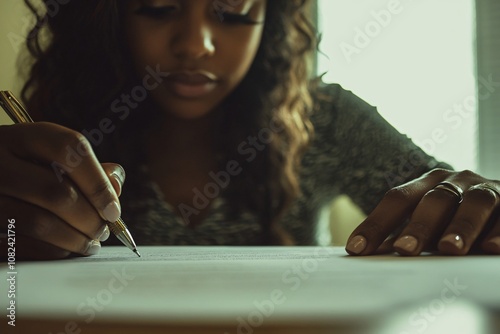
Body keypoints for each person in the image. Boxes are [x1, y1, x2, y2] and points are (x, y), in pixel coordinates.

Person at [0, 0, 498, 260]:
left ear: (271, 19)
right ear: (111, 18)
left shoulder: (325, 118)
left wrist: (480, 203)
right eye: (158, 8)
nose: (196, 46)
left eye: (232, 10)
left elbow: (447, 198)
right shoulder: (61, 122)